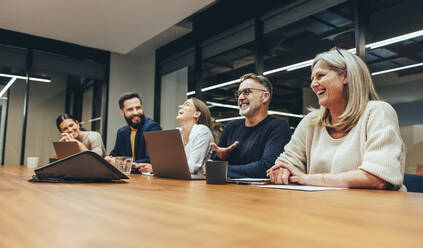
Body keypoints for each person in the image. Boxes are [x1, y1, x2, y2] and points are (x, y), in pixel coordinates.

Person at [267, 48, 405, 190]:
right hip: (326, 206)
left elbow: (378, 178)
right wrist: (282, 171)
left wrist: (307, 179)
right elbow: (286, 162)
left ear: (345, 76)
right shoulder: (311, 122)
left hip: (375, 209)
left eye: (320, 76)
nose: (313, 84)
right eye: (312, 79)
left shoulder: (378, 111)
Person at [211, 73, 292, 178]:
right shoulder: (231, 127)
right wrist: (221, 156)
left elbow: (267, 167)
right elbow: (213, 164)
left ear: (265, 96)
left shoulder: (278, 127)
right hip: (227, 190)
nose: (240, 97)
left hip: (260, 192)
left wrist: (221, 169)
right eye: (239, 94)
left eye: (247, 92)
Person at [137, 97, 214, 175]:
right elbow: (168, 163)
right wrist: (152, 166)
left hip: (198, 185)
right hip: (178, 182)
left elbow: (191, 168)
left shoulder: (202, 131)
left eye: (187, 105)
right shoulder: (177, 132)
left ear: (196, 114)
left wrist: (155, 168)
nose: (180, 106)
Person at [109, 92, 161, 171]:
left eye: (138, 108)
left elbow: (151, 159)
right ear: (122, 112)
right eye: (130, 109)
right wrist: (109, 159)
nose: (136, 112)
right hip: (128, 178)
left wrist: (123, 163)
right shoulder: (122, 132)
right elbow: (114, 155)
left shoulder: (152, 128)